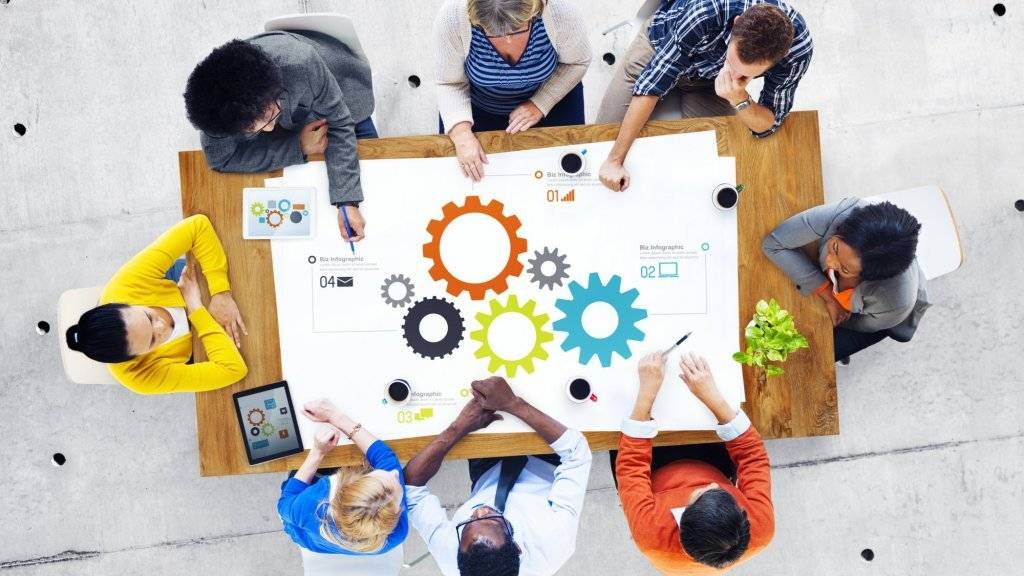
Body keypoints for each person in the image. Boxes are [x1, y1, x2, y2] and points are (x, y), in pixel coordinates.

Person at [596, 0, 813, 191]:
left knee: (715, 170)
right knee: (601, 144)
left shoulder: (797, 51)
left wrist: (739, 98)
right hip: (661, 46)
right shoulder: (707, 9)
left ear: (783, 55)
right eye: (733, 62)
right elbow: (653, 84)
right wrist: (615, 160)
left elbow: (767, 124)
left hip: (708, 80)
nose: (735, 74)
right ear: (736, 23)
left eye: (746, 74)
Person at [184, 31, 376, 242]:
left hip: (343, 88)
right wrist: (298, 146)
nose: (266, 129)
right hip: (295, 122)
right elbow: (221, 159)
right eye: (251, 128)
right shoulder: (216, 112)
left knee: (375, 177)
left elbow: (340, 122)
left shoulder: (300, 63)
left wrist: (347, 202)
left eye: (267, 117)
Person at [404, 377, 592, 575]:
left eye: (468, 522)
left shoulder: (452, 556)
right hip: (548, 458)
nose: (481, 511)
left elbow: (410, 489)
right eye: (494, 520)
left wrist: (459, 426)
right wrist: (512, 403)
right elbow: (576, 453)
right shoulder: (554, 540)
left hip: (487, 469)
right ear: (517, 548)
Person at [614, 351, 774, 574]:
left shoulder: (650, 534)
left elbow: (631, 468)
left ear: (681, 518)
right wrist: (712, 397)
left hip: (652, 473)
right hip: (712, 463)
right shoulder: (761, 528)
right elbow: (753, 459)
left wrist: (647, 395)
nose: (712, 484)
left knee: (616, 413)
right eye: (724, 493)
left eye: (701, 494)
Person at [65, 215, 248, 394]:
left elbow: (197, 227)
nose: (163, 325)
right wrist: (195, 307)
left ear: (127, 304)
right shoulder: (137, 377)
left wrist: (220, 292)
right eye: (152, 340)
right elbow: (232, 369)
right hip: (194, 337)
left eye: (149, 317)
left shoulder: (124, 285)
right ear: (134, 358)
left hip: (182, 283)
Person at [434, 0, 592, 181]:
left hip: (553, 100)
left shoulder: (560, 12)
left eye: (517, 28)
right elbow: (449, 82)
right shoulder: (453, 16)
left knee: (565, 178)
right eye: (491, 32)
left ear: (534, 10)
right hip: (477, 108)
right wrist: (461, 134)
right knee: (470, 180)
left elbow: (578, 62)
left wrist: (541, 103)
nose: (507, 38)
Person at [761, 198, 929, 361]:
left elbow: (860, 325)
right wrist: (828, 295)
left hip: (877, 320)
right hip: (855, 297)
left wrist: (833, 320)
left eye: (845, 269)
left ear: (868, 277)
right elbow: (773, 244)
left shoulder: (895, 304)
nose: (829, 261)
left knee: (814, 356)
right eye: (834, 247)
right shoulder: (845, 212)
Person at [278, 399, 408, 555]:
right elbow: (386, 460)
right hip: (325, 538)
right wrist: (335, 417)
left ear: (348, 485)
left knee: (295, 474)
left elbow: (285, 504)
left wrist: (318, 452)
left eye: (377, 476)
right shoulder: (396, 534)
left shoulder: (312, 501)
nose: (395, 473)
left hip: (301, 530)